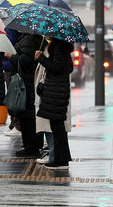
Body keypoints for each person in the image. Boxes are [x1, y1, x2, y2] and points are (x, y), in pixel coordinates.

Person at [34, 37, 74, 170]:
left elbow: (57, 67)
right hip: (57, 91)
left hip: (55, 91)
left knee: (57, 128)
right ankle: (62, 159)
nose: (46, 35)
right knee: (58, 127)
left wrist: (41, 58)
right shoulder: (62, 48)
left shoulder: (58, 48)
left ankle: (60, 161)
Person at [5, 33, 44, 157]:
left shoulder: (28, 40)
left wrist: (11, 56)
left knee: (28, 117)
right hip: (31, 83)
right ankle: (34, 145)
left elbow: (23, 62)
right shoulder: (36, 39)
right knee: (31, 116)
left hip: (27, 85)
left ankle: (30, 147)